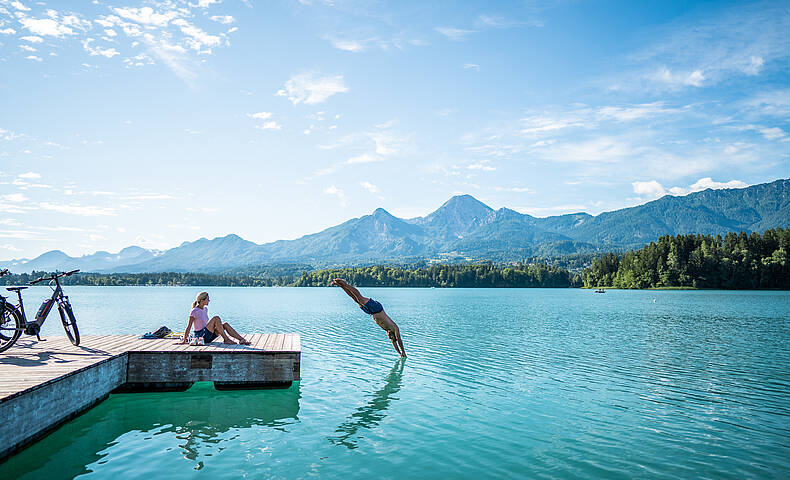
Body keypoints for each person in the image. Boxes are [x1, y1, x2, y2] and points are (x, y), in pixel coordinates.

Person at [332, 278, 406, 357]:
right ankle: (345, 284)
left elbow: (394, 343)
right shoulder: (395, 328)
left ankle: (341, 285)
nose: (389, 337)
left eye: (390, 338)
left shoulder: (388, 331)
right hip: (377, 308)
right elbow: (399, 341)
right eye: (391, 338)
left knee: (355, 300)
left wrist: (399, 353)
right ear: (394, 336)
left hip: (371, 312)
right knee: (359, 297)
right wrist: (403, 351)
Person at [180, 292, 250, 345]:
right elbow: (189, 327)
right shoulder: (194, 311)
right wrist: (184, 341)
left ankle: (242, 340)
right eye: (207, 299)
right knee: (216, 318)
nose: (209, 301)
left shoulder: (205, 309)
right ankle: (226, 339)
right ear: (202, 300)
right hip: (200, 336)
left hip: (208, 335)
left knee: (225, 324)